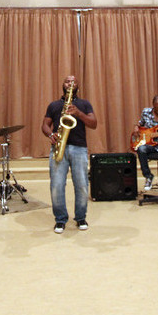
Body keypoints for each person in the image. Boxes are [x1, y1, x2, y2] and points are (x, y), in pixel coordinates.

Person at [41, 75, 97, 234]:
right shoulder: (54, 105)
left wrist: (79, 113)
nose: (70, 83)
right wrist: (50, 135)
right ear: (63, 85)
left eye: (73, 81)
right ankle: (60, 219)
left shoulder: (84, 104)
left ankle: (81, 217)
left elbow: (94, 124)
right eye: (67, 81)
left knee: (82, 185)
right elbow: (45, 124)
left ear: (77, 85)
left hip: (79, 148)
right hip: (59, 148)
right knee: (57, 186)